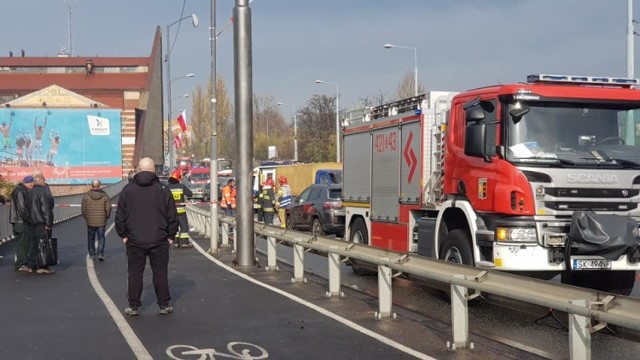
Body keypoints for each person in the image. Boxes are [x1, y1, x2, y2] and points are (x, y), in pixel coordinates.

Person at [116, 157, 178, 316]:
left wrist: (124, 235)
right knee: (160, 272)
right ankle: (164, 304)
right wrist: (170, 236)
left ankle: (133, 306)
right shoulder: (163, 190)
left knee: (135, 272)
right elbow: (172, 216)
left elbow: (120, 216)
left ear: (138, 170)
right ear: (154, 171)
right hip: (159, 239)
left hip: (134, 240)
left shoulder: (127, 191)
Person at [27, 173, 55, 274]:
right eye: (44, 180)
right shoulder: (42, 192)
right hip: (41, 222)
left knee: (33, 244)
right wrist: (48, 223)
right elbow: (45, 209)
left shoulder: (29, 192)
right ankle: (42, 266)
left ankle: (31, 265)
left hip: (32, 222)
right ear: (40, 181)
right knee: (43, 244)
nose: (45, 182)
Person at [81, 179, 112, 261]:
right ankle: (100, 254)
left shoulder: (86, 196)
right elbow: (108, 208)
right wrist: (106, 217)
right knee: (101, 237)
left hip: (90, 221)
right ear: (99, 186)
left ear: (92, 186)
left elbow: (83, 209)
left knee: (91, 237)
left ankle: (91, 253)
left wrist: (86, 217)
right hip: (101, 221)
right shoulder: (105, 195)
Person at [10, 176, 33, 271]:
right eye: (32, 184)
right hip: (21, 221)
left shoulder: (17, 189)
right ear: (29, 183)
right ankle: (21, 263)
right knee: (23, 242)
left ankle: (21, 262)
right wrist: (28, 219)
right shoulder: (21, 191)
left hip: (17, 220)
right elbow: (22, 207)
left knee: (20, 242)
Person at [166, 169, 192, 248]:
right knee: (183, 226)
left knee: (174, 227)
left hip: (171, 212)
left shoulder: (167, 188)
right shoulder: (181, 186)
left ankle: (176, 242)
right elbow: (190, 194)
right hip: (181, 211)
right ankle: (184, 242)